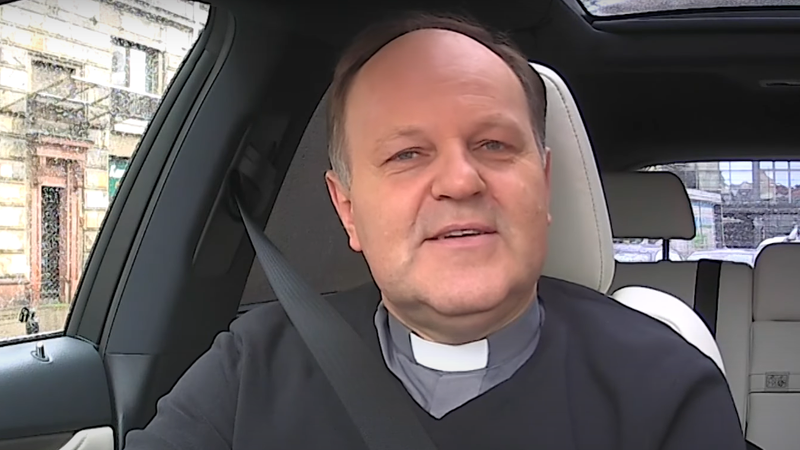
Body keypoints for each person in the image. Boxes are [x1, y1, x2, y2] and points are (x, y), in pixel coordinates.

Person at [123, 11, 747, 450]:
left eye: (494, 144)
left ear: (543, 185)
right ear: (348, 210)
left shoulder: (666, 386)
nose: (460, 180)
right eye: (407, 154)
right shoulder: (250, 368)